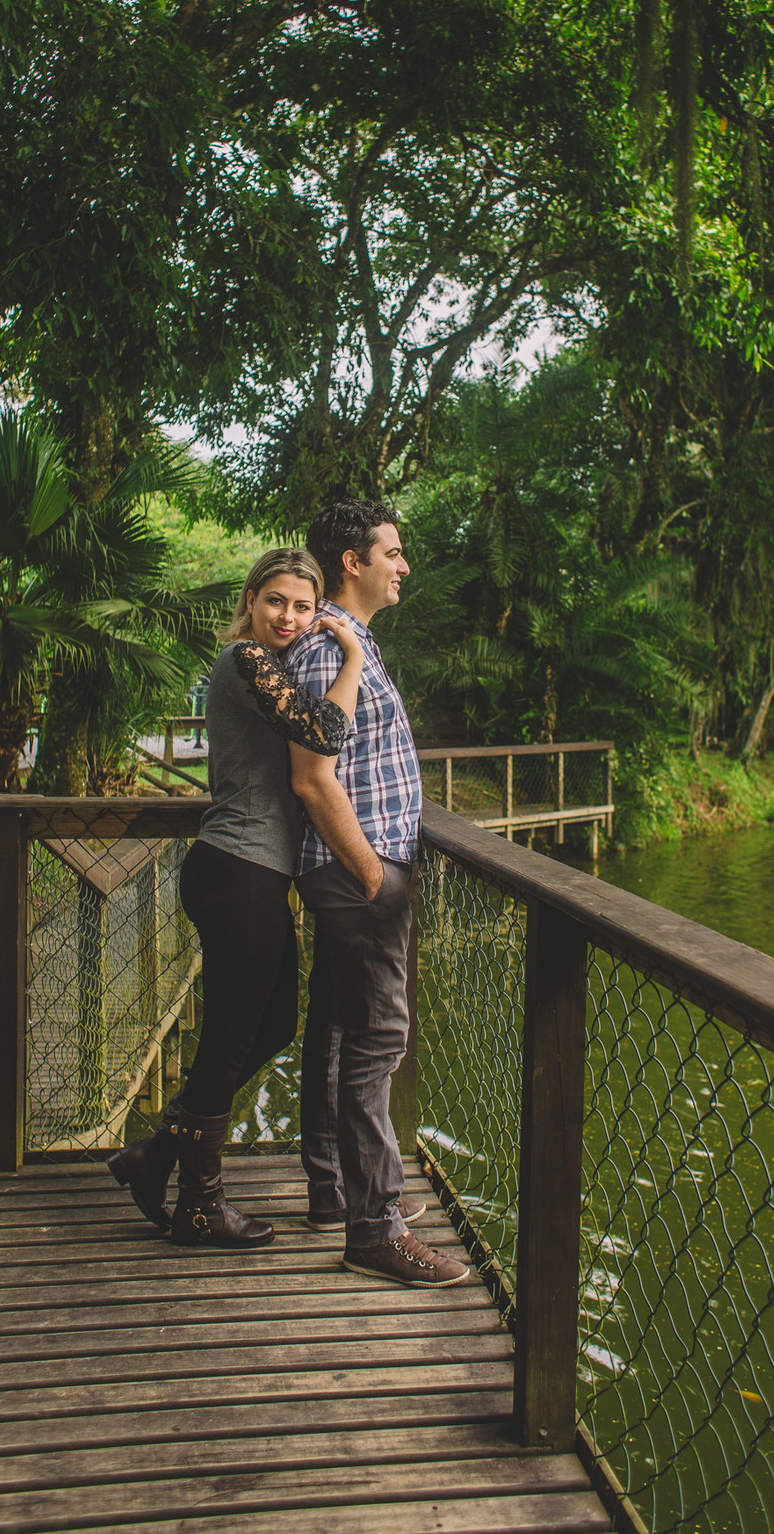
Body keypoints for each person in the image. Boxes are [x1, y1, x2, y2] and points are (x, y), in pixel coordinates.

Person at [108, 548, 364, 1248]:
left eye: (303, 606)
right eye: (275, 600)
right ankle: (199, 1205)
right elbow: (325, 732)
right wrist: (352, 657)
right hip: (237, 870)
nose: (288, 616)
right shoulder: (246, 659)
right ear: (250, 600)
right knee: (228, 1037)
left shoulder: (273, 668)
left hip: (253, 873)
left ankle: (155, 1154)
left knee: (272, 1025)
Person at [287, 501, 470, 1287]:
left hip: (363, 864)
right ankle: (375, 1227)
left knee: (338, 1027)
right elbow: (311, 777)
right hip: (357, 869)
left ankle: (336, 1192)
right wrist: (370, 872)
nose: (404, 566)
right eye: (392, 553)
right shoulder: (325, 647)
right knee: (378, 1038)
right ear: (351, 562)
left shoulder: (350, 641)